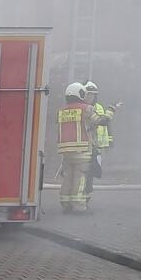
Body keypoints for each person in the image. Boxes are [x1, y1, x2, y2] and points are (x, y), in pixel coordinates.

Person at [56, 81, 96, 214]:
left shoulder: (62, 111)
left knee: (67, 178)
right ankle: (79, 205)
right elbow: (98, 121)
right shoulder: (86, 108)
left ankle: (65, 203)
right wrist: (111, 111)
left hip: (66, 152)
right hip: (82, 150)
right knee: (80, 178)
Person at [82, 81, 120, 197]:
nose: (91, 97)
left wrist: (109, 142)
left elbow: (105, 125)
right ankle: (81, 198)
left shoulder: (98, 107)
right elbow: (102, 121)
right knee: (82, 173)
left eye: (93, 95)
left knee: (92, 173)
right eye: (88, 94)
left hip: (96, 147)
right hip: (83, 146)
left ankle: (86, 196)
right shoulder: (82, 108)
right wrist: (112, 109)